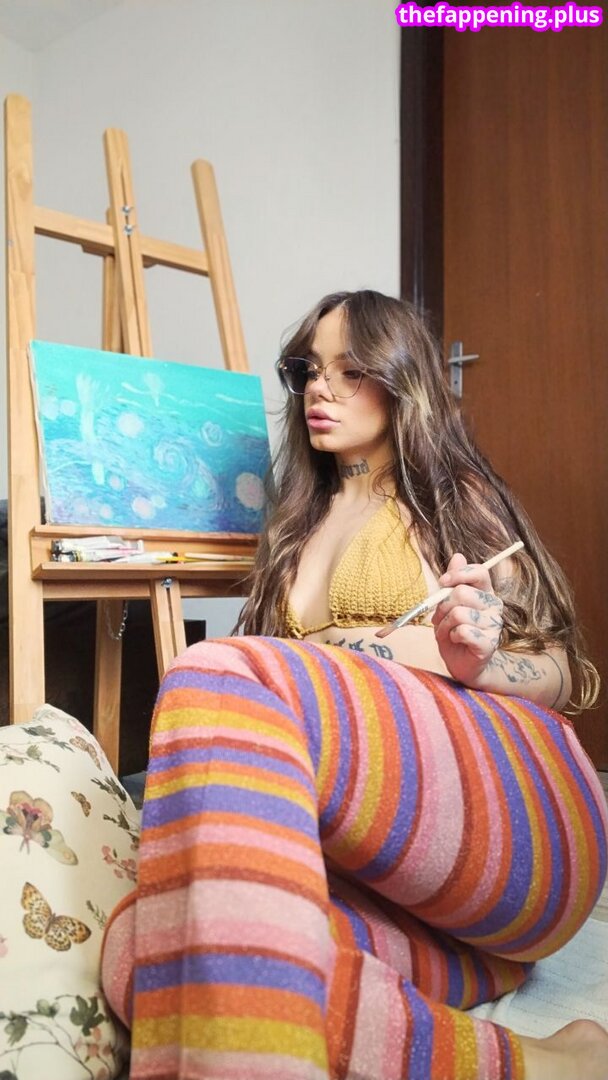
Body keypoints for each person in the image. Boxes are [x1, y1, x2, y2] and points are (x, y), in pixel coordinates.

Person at [106, 290, 608, 1080]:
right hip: (413, 894)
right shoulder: (295, 526)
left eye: (351, 370)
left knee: (215, 668)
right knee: (148, 941)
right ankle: (539, 1064)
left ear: (403, 379)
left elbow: (558, 670)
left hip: (524, 830)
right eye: (309, 369)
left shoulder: (451, 498)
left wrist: (473, 661)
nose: (321, 387)